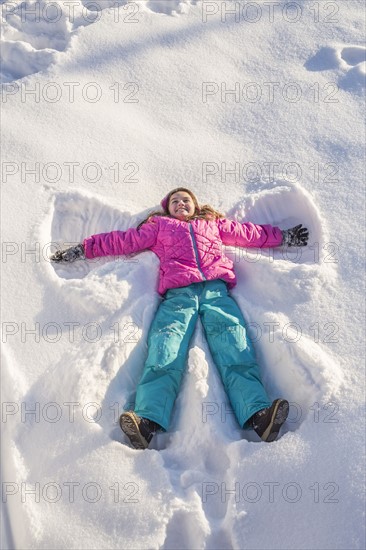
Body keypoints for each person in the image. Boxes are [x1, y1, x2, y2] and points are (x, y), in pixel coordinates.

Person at [51, 187, 309, 449]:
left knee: (234, 345)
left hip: (216, 292)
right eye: (175, 201)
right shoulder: (159, 226)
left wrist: (283, 237)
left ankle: (259, 416)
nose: (181, 203)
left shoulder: (212, 224)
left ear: (196, 205)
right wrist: (83, 249)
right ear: (167, 208)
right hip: (178, 295)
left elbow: (249, 234)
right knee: (165, 349)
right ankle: (146, 421)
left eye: (186, 200)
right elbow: (122, 240)